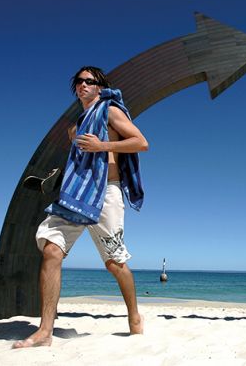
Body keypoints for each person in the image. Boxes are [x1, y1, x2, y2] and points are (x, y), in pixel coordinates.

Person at [13, 66, 149, 348]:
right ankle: (45, 331)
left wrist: (102, 146)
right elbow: (78, 166)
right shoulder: (74, 128)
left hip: (106, 195)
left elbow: (141, 142)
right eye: (79, 81)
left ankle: (134, 315)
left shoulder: (110, 111)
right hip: (76, 196)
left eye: (90, 81)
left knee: (115, 264)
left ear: (100, 86)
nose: (83, 85)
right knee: (52, 249)